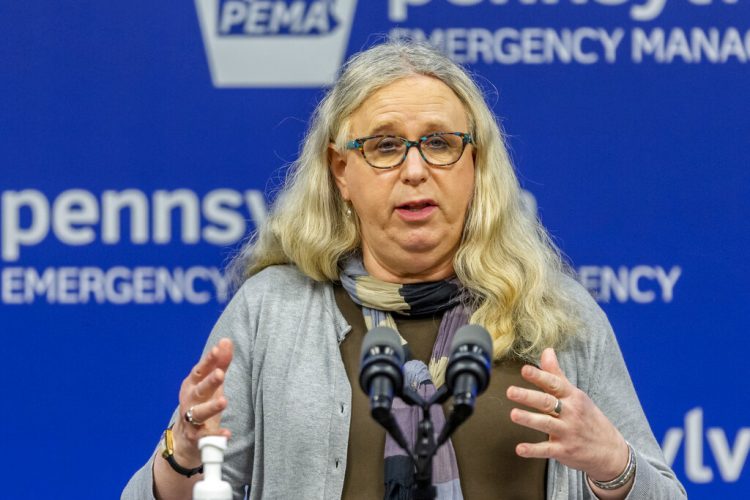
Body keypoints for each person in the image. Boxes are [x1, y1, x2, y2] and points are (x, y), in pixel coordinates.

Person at [123, 40, 686, 500]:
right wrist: (186, 452)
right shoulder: (273, 310)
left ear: (475, 165)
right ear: (341, 171)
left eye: (440, 143)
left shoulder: (553, 313)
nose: (415, 170)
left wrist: (613, 466)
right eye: (386, 146)